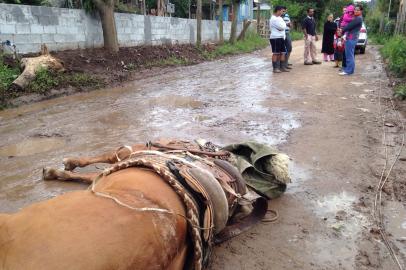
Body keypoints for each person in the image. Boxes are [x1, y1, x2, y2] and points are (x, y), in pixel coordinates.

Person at [339, 6, 363, 75]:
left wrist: (342, 30)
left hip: (351, 38)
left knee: (349, 55)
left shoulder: (358, 18)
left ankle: (349, 71)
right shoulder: (357, 18)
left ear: (361, 11)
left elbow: (349, 26)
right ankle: (349, 70)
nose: (355, 11)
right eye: (355, 10)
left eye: (358, 10)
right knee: (349, 54)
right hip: (351, 38)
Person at [269, 5, 289, 73]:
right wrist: (283, 25)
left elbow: (283, 26)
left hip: (281, 37)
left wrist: (283, 25)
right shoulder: (273, 18)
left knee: (283, 53)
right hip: (275, 38)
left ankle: (282, 67)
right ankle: (275, 68)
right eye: (282, 11)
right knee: (276, 53)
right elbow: (282, 27)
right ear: (278, 10)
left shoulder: (279, 18)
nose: (282, 12)